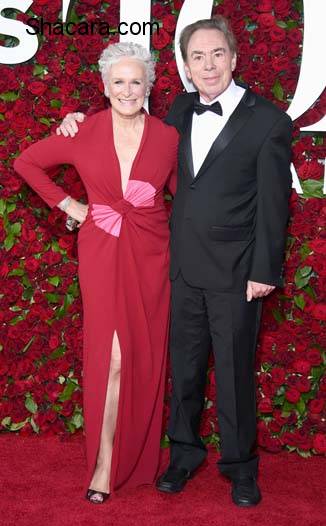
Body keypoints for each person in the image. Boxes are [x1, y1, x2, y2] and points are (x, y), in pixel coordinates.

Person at [57, 16, 293, 507]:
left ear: (234, 57)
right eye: (197, 57)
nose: (208, 65)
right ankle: (183, 456)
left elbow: (274, 204)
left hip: (236, 272)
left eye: (217, 54)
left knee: (232, 374)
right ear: (185, 67)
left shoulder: (269, 120)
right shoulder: (179, 112)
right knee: (183, 372)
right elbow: (132, 141)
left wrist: (264, 271)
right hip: (178, 267)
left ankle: (240, 468)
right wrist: (72, 120)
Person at [14, 42, 178, 504]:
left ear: (149, 86)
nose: (128, 89)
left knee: (143, 354)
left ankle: (140, 457)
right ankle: (104, 462)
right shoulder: (83, 130)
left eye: (136, 81)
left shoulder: (168, 136)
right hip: (102, 248)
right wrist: (69, 205)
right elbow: (25, 161)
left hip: (152, 253)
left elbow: (184, 196)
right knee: (113, 357)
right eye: (119, 82)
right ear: (105, 88)